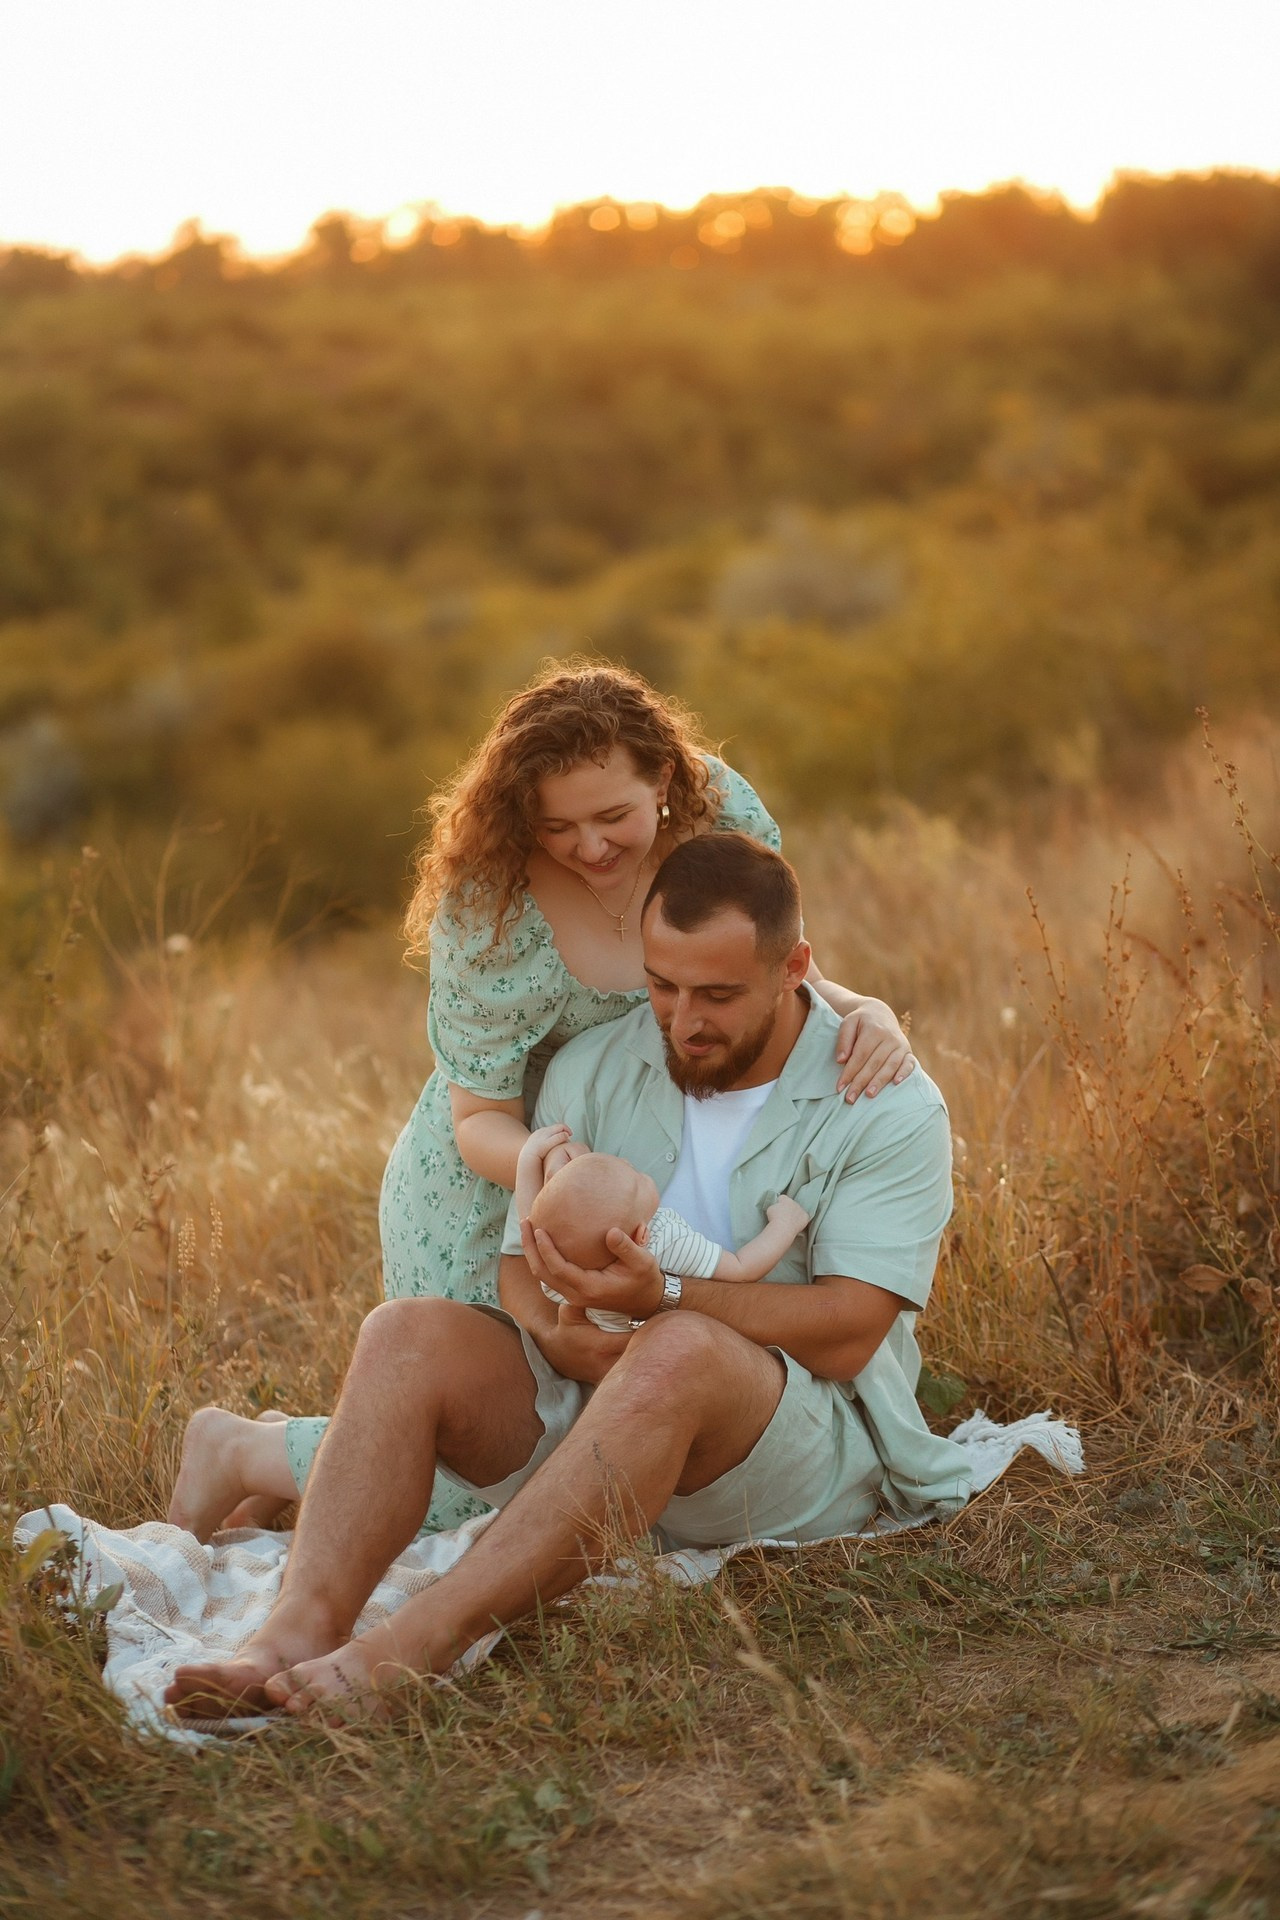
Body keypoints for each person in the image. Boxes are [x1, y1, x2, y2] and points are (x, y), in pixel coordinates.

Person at [165, 834, 971, 1722]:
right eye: (663, 986)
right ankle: (289, 1635)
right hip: (604, 1410)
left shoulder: (887, 1100)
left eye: (718, 994)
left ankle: (411, 1649)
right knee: (403, 1331)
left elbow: (854, 1327)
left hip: (799, 1441)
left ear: (796, 969)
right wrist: (551, 1333)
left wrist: (662, 1298)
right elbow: (519, 1262)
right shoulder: (595, 1069)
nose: (683, 1019)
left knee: (681, 1347)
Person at [168, 663, 916, 1542]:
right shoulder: (487, 905)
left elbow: (778, 971)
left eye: (613, 819)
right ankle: (238, 1451)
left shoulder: (722, 814)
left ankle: (279, 1469)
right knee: (480, 1462)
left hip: (641, 1154)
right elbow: (476, 1116)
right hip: (501, 1172)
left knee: (602, 1429)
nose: (591, 848)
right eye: (557, 826)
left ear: (665, 781)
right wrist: (553, 1167)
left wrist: (870, 1012)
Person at [518, 1124, 810, 1331]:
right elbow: (742, 1268)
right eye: (635, 1178)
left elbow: (533, 1228)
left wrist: (529, 1159)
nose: (628, 1162)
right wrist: (786, 1224)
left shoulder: (562, 1275)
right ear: (639, 1235)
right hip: (665, 1347)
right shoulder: (665, 1243)